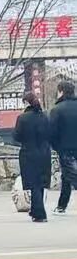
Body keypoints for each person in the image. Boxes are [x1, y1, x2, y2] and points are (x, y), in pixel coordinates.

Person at [14, 91, 53, 223]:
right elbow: (51, 134)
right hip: (44, 153)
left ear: (26, 103)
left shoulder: (22, 118)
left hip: (28, 154)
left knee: (34, 184)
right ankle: (36, 210)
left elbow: (16, 136)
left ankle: (40, 213)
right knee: (40, 183)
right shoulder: (45, 116)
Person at [50, 78, 77, 214]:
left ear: (61, 92)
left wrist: (57, 147)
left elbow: (52, 132)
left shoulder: (57, 110)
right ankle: (61, 205)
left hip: (65, 149)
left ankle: (61, 206)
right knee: (66, 177)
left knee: (71, 175)